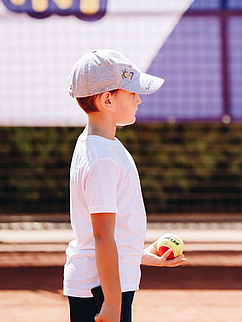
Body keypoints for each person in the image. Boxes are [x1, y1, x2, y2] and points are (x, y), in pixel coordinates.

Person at [64, 49, 185, 322]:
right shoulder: (102, 158)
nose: (139, 99)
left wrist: (138, 256)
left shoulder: (104, 146)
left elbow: (108, 235)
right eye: (132, 93)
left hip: (105, 283)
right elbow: (101, 237)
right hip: (100, 289)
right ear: (107, 99)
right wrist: (111, 302)